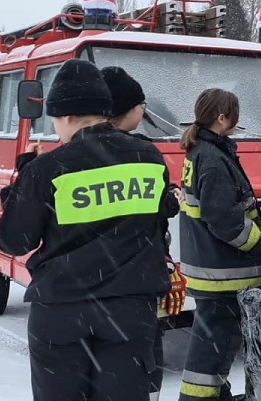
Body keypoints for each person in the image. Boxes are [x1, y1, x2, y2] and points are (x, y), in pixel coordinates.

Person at [0, 59, 179, 401]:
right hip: (129, 310)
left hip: (62, 310)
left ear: (65, 115)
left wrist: (24, 177)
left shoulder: (49, 169)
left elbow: (14, 240)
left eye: (53, 120)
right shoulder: (148, 158)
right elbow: (157, 218)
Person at [177, 88, 261, 401]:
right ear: (222, 118)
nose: (238, 119)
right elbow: (223, 218)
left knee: (215, 342)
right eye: (235, 114)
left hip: (213, 268)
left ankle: (214, 395)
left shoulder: (204, 151)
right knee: (214, 346)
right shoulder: (211, 158)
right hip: (223, 272)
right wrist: (255, 243)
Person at [102, 65, 186, 401]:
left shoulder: (78, 153)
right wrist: (173, 199)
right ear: (129, 109)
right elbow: (156, 208)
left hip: (96, 280)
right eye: (142, 105)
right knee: (145, 354)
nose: (144, 111)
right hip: (138, 274)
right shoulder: (144, 153)